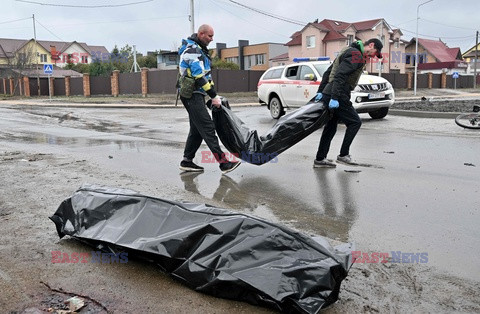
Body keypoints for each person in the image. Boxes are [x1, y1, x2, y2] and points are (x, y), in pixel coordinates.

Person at [177, 24, 240, 174]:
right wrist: (213, 96)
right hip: (191, 95)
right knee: (207, 127)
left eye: (213, 36)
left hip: (196, 94)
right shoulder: (192, 51)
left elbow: (207, 77)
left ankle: (187, 161)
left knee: (197, 130)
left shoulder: (201, 51)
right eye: (209, 36)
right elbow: (199, 76)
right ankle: (223, 163)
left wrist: (213, 95)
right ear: (201, 34)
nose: (212, 39)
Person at [313, 38, 383, 168]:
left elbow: (329, 72)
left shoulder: (347, 50)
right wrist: (334, 97)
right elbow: (340, 75)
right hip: (338, 94)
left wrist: (322, 91)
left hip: (331, 92)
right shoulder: (356, 55)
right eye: (375, 52)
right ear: (371, 45)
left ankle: (320, 159)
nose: (373, 56)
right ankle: (343, 155)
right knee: (355, 122)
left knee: (331, 127)